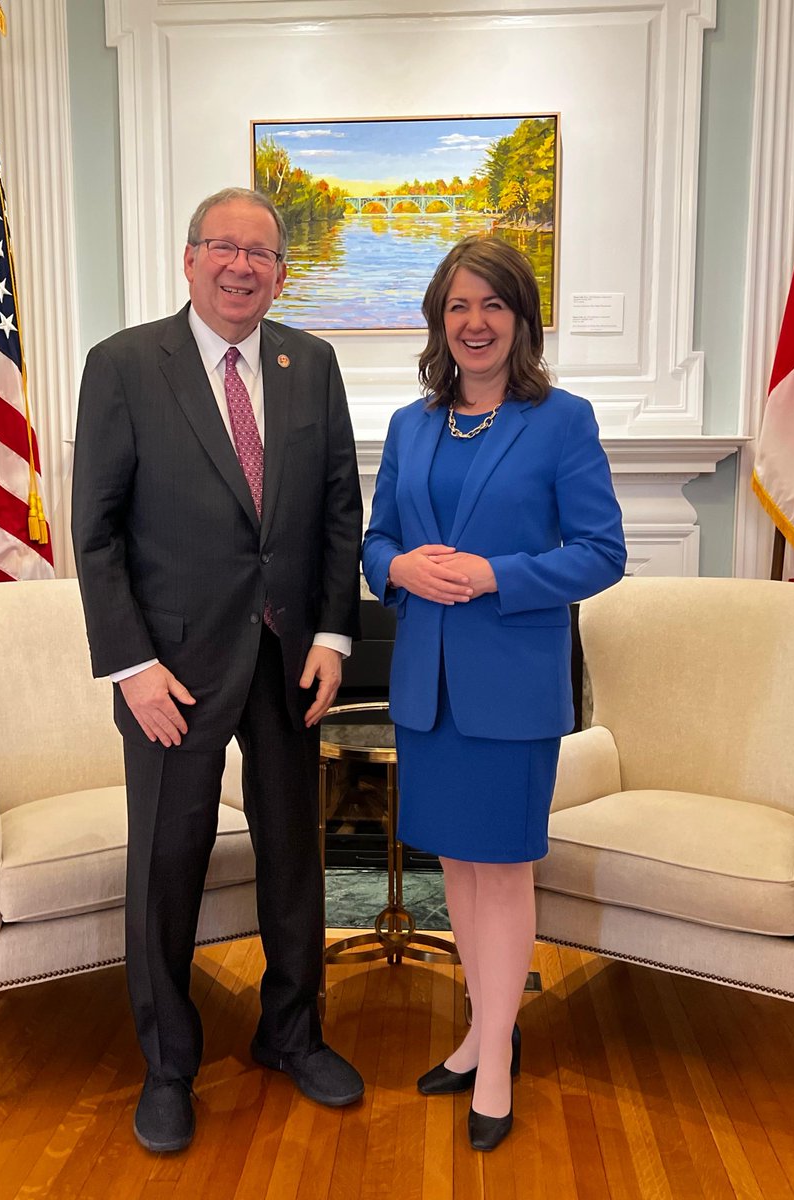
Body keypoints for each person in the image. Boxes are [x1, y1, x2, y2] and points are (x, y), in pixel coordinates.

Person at [72, 187, 364, 1153]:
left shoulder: (311, 365)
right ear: (189, 258)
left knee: (295, 859)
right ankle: (168, 1068)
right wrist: (132, 667)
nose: (243, 267)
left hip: (289, 660)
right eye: (224, 248)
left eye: (262, 254)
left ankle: (291, 1034)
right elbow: (98, 534)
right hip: (171, 675)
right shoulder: (122, 366)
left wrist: (332, 638)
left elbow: (334, 515)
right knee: (167, 867)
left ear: (283, 272)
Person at [362, 236, 626, 1152]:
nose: (474, 324)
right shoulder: (411, 424)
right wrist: (398, 565)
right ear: (440, 320)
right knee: (459, 871)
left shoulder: (562, 421)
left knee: (504, 870)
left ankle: (500, 1061)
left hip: (513, 690)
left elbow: (602, 553)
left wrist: (492, 576)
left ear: (521, 319)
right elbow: (375, 540)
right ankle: (476, 1035)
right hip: (426, 689)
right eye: (458, 307)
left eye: (494, 306)